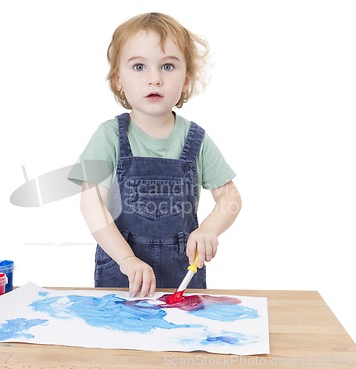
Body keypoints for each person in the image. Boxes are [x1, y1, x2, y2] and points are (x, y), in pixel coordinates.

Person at [68, 12, 241, 298]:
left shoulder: (196, 139)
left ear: (186, 79)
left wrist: (209, 229)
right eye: (139, 66)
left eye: (168, 66)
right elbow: (91, 205)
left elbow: (230, 197)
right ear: (118, 80)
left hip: (182, 276)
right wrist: (126, 259)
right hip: (122, 277)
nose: (154, 79)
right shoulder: (109, 136)